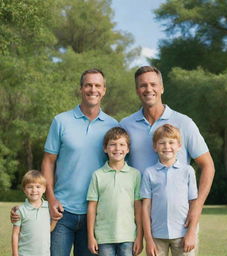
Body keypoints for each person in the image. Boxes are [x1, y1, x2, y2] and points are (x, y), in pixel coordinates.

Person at [11, 69, 118, 256]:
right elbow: (48, 161)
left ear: (104, 90)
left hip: (95, 213)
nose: (93, 89)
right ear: (80, 89)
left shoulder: (113, 125)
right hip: (61, 212)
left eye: (97, 85)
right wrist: (51, 198)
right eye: (88, 85)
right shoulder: (61, 121)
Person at [120, 66, 215, 245]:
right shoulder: (126, 125)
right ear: (136, 90)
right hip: (143, 218)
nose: (148, 89)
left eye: (153, 84)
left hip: (181, 220)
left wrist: (196, 208)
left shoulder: (184, 123)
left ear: (162, 88)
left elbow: (207, 165)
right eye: (143, 85)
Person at [141, 124, 198, 256]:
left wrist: (191, 232)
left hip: (183, 234)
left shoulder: (188, 171)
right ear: (155, 147)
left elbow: (194, 204)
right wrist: (148, 239)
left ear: (179, 146)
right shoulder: (149, 173)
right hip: (157, 236)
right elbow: (145, 208)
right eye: (162, 143)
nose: (167, 147)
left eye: (171, 142)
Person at [87, 127, 143, 256]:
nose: (117, 148)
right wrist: (91, 236)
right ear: (105, 148)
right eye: (112, 145)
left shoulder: (135, 175)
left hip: (128, 237)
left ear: (128, 149)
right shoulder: (98, 175)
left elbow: (138, 207)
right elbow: (91, 207)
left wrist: (139, 236)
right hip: (104, 237)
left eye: (122, 145)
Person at [12, 170, 51, 256]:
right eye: (30, 187)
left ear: (44, 189)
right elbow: (15, 234)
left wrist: (56, 219)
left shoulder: (49, 207)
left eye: (38, 187)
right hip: (25, 254)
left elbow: (49, 229)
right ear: (24, 190)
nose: (34, 190)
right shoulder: (20, 210)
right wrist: (15, 254)